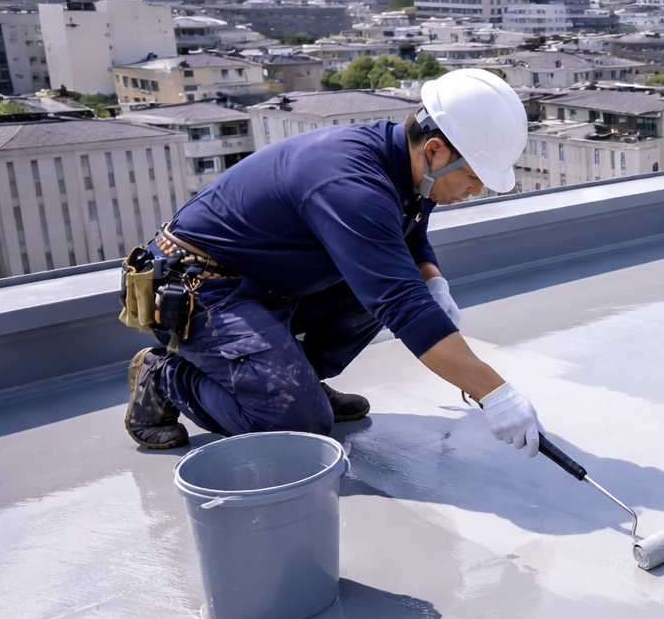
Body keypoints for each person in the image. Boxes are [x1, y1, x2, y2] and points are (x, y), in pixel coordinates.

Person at [122, 68, 543, 458]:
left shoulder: (409, 168)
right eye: (474, 177)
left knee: (383, 285)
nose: (476, 190)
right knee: (299, 425)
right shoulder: (353, 184)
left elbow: (409, 237)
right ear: (435, 150)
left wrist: (434, 282)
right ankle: (164, 376)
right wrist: (494, 394)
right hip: (203, 286)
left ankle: (294, 382)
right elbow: (403, 305)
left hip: (265, 283)